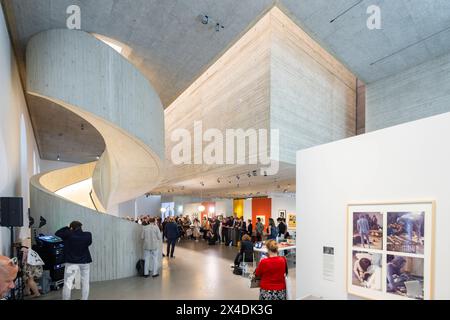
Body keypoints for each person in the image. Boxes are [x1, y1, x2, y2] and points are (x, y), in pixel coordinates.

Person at [56, 221, 92, 300]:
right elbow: (89, 243)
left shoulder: (68, 235)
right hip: (84, 262)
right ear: (81, 226)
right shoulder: (88, 235)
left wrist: (67, 227)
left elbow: (57, 233)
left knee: (68, 283)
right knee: (85, 283)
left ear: (72, 228)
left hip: (71, 263)